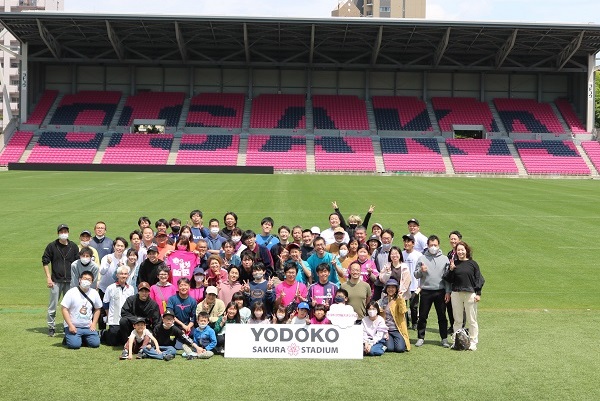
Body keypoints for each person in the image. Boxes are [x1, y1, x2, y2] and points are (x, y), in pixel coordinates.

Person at [443, 241, 484, 351]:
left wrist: (478, 293)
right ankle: (456, 341)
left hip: (470, 294)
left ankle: (473, 342)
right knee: (457, 320)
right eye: (458, 250)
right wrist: (451, 270)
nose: (460, 252)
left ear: (466, 251)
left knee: (472, 319)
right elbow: (448, 279)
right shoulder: (454, 263)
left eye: (462, 250)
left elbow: (479, 279)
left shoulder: (473, 264)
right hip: (456, 293)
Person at [414, 235, 451, 348]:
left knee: (442, 316)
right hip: (426, 291)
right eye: (431, 245)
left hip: (440, 291)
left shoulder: (444, 259)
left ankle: (444, 338)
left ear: (438, 245)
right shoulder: (422, 258)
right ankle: (420, 337)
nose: (433, 247)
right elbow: (416, 275)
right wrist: (421, 270)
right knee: (423, 316)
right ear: (427, 245)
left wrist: (448, 292)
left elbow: (447, 278)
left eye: (435, 245)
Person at [43, 223, 80, 337]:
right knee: (53, 305)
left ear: (68, 232)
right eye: (61, 232)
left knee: (70, 306)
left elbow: (77, 263)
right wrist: (48, 278)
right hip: (56, 281)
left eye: (65, 231)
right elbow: (45, 262)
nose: (63, 234)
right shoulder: (52, 246)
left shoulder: (73, 246)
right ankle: (51, 327)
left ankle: (67, 326)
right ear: (58, 233)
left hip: (70, 281)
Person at [60, 270, 102, 349]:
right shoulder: (71, 292)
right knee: (74, 345)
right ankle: (70, 337)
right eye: (84, 278)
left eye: (89, 279)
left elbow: (98, 309)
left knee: (95, 344)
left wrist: (93, 324)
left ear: (92, 282)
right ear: (80, 280)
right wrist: (70, 325)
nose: (86, 281)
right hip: (74, 326)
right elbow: (64, 308)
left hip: (87, 326)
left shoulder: (94, 293)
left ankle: (81, 338)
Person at [103, 265, 135, 346]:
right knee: (113, 342)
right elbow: (106, 303)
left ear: (128, 275)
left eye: (125, 274)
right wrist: (108, 315)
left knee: (124, 341)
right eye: (121, 274)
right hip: (114, 319)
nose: (123, 276)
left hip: (126, 319)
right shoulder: (110, 288)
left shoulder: (131, 288)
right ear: (117, 275)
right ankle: (104, 333)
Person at [377, 279, 410, 353]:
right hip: (387, 330)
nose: (390, 289)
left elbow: (403, 311)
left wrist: (401, 298)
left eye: (393, 287)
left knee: (400, 349)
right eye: (389, 287)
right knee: (390, 348)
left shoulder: (399, 299)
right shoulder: (383, 300)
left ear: (396, 289)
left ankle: (399, 340)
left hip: (397, 329)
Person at [402, 234, 422, 331]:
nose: (406, 243)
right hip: (403, 285)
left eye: (408, 242)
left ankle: (414, 322)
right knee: (403, 305)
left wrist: (420, 285)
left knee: (413, 306)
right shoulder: (401, 254)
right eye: (405, 242)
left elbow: (421, 270)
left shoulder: (418, 255)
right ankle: (405, 322)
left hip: (415, 285)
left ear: (413, 244)